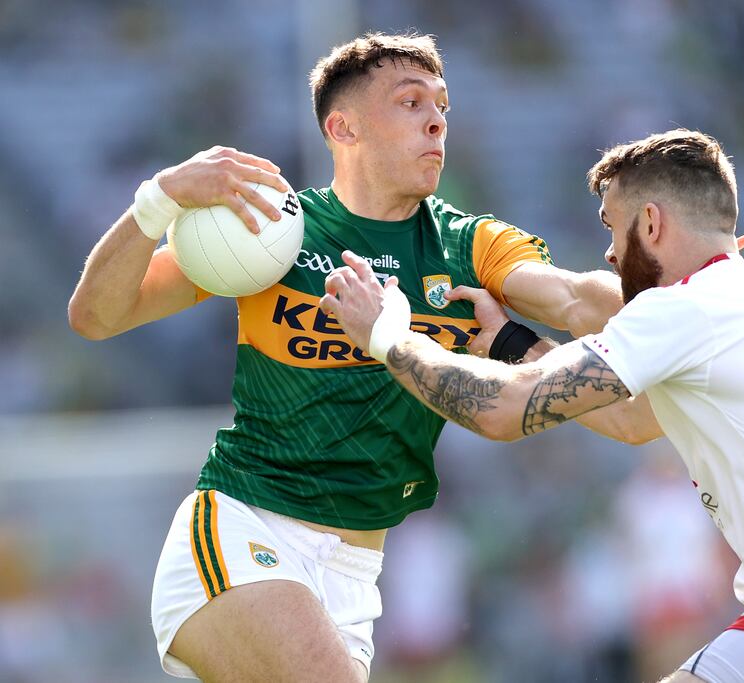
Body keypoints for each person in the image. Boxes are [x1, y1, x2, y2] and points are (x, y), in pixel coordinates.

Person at [67, 32, 637, 682]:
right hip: (246, 527)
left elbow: (574, 295)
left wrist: (695, 289)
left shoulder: (468, 245)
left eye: (443, 106)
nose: (436, 121)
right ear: (344, 128)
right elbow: (95, 315)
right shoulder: (274, 231)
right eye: (411, 102)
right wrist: (159, 199)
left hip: (353, 578)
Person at [320, 128, 744, 683]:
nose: (609, 253)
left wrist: (388, 338)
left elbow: (502, 411)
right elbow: (633, 420)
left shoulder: (689, 306)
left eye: (611, 226)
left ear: (651, 223)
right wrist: (512, 342)